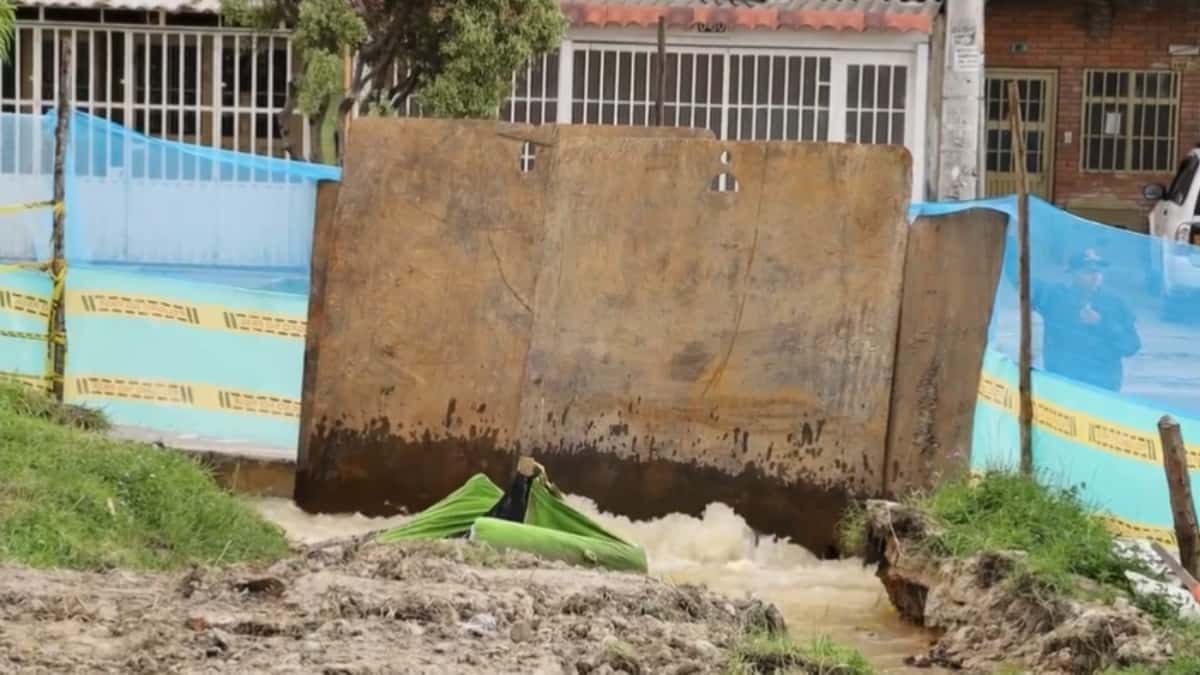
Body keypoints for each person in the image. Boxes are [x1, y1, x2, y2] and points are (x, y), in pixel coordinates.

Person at [1005, 246, 1140, 392]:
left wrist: (1102, 324)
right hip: (1063, 384)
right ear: (1072, 273)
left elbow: (1131, 346)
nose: (1095, 276)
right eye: (1088, 271)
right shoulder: (1055, 298)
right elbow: (1019, 278)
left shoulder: (1116, 304)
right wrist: (1010, 240)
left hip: (1102, 388)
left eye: (1098, 271)